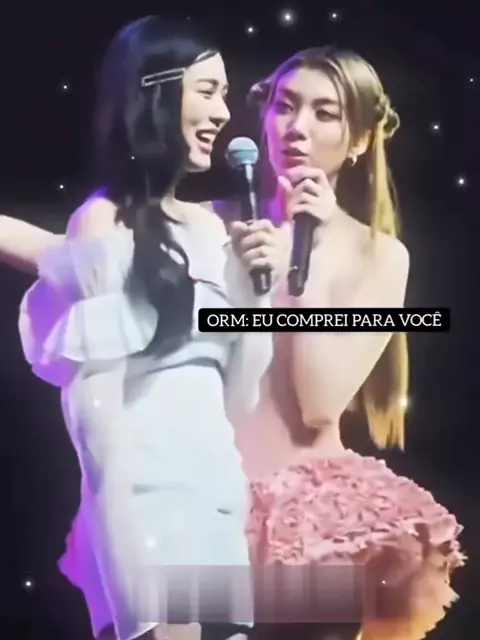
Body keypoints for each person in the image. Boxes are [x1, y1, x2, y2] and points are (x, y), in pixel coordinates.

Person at [0, 46, 464, 640]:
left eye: (325, 113)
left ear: (359, 140)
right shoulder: (204, 224)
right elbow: (83, 258)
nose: (296, 127)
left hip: (310, 529)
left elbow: (319, 398)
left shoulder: (379, 255)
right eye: (284, 105)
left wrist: (302, 255)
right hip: (201, 505)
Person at [4, 16, 280, 640]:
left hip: (214, 496)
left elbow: (241, 397)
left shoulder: (211, 230)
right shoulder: (100, 223)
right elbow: (95, 423)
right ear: (154, 91)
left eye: (225, 94)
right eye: (207, 91)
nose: (223, 114)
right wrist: (132, 566)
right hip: (145, 505)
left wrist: (254, 293)